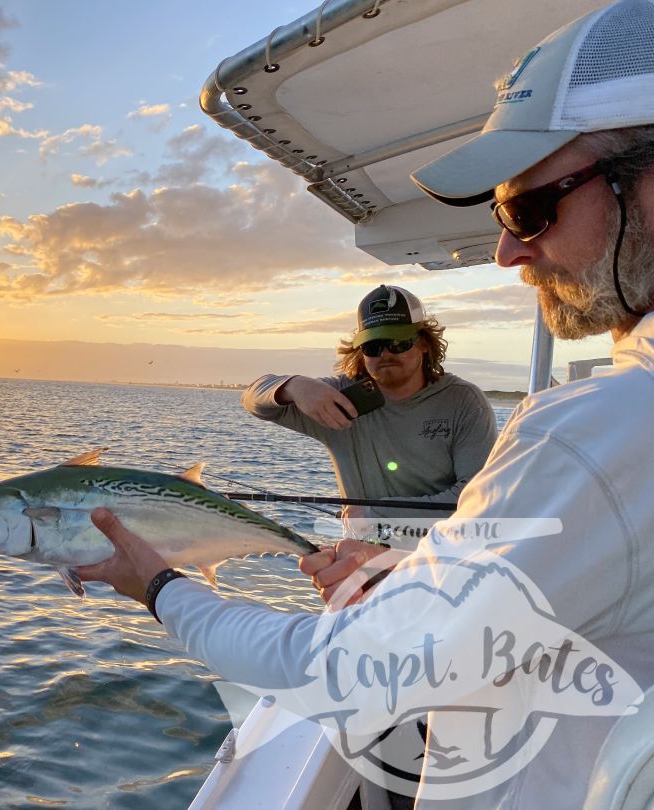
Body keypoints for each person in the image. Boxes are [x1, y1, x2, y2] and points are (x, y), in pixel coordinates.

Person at [77, 2, 654, 806]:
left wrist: (162, 586)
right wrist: (288, 389)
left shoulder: (589, 428)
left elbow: (351, 670)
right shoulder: (344, 401)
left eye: (531, 208)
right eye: (499, 216)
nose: (507, 248)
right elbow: (572, 587)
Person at [242, 285, 497, 543]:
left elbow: (478, 496)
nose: (385, 354)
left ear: (423, 344)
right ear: (360, 352)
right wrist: (294, 386)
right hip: (360, 560)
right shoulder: (339, 399)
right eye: (373, 347)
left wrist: (376, 513)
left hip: (440, 558)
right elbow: (253, 399)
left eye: (397, 343)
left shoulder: (463, 401)